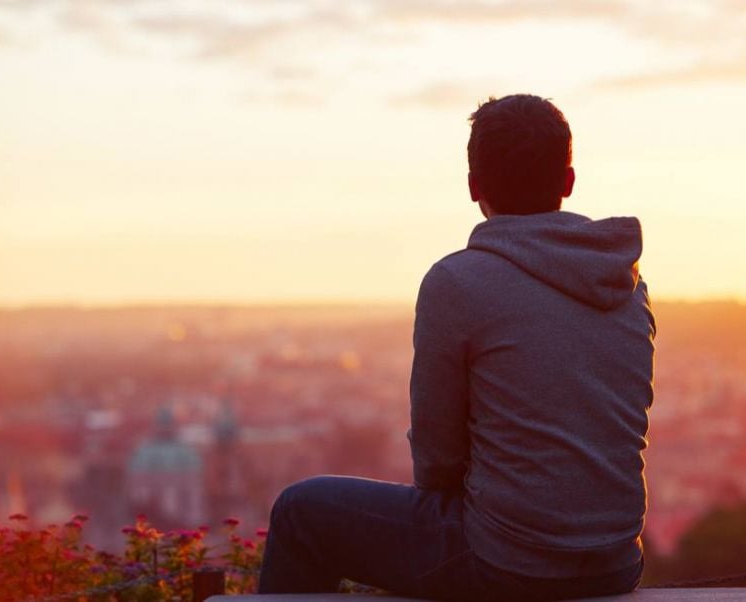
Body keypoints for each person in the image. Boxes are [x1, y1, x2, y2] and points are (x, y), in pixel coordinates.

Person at [259, 94, 656, 601]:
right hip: (616, 563)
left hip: (508, 563)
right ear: (568, 181)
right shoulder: (626, 283)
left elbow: (437, 456)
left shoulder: (458, 283)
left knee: (300, 511)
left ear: (473, 187)